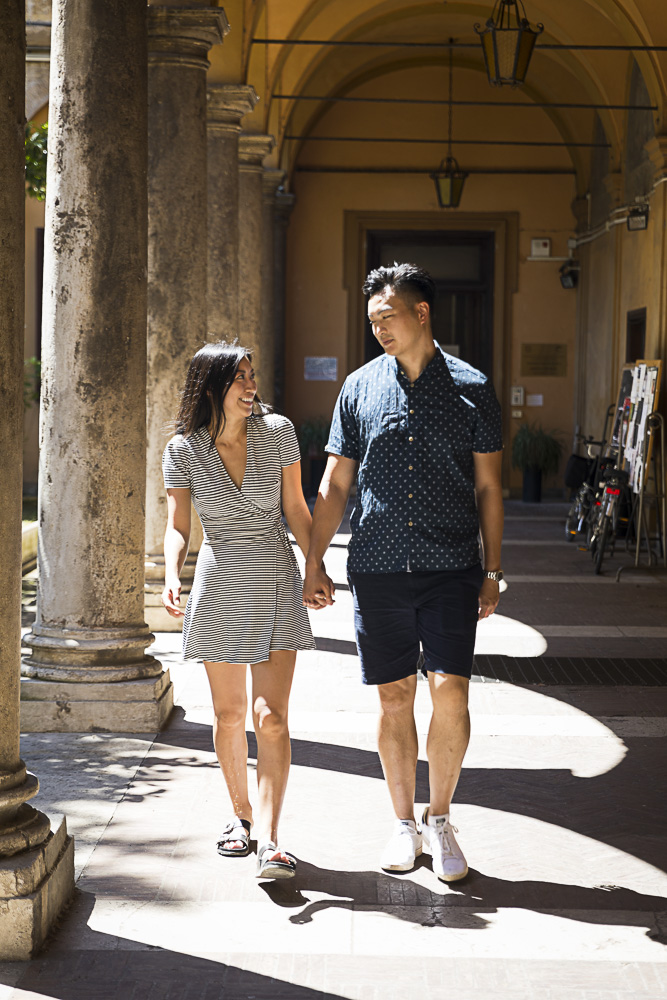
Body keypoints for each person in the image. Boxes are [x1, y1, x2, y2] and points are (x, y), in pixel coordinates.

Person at [303, 263, 504, 883]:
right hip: (379, 567)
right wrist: (314, 560)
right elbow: (336, 484)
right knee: (395, 697)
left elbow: (490, 488)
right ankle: (401, 822)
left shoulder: (472, 387)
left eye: (387, 316)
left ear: (421, 314)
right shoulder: (360, 389)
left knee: (451, 689)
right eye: (372, 321)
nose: (379, 329)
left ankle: (439, 817)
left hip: (451, 566)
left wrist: (493, 569)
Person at [162, 342, 317, 880]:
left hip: (275, 579)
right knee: (229, 715)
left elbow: (297, 508)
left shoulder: (280, 434)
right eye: (240, 379)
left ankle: (274, 840)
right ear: (211, 388)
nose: (252, 387)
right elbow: (179, 524)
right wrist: (172, 573)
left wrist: (315, 564)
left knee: (270, 719)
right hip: (219, 584)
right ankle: (240, 818)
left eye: (253, 376)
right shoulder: (183, 450)